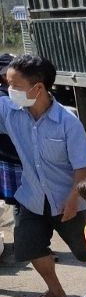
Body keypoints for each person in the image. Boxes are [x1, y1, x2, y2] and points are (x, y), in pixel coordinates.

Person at [0, 55, 86, 297]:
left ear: (38, 87)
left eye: (14, 85)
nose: (9, 90)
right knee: (31, 246)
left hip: (67, 198)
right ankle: (56, 293)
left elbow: (82, 165)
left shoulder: (67, 121)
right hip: (30, 197)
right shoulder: (10, 111)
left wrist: (74, 199)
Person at [0, 53, 20, 264]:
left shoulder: (14, 93)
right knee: (18, 202)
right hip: (9, 158)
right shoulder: (3, 98)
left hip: (17, 158)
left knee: (21, 203)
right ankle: (26, 244)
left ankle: (28, 243)